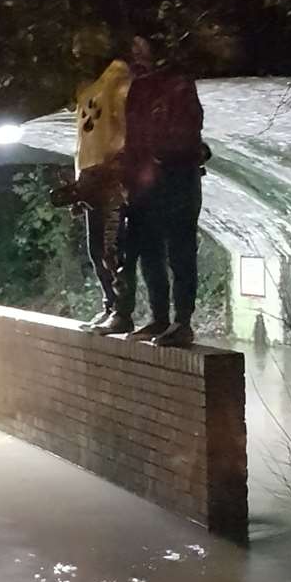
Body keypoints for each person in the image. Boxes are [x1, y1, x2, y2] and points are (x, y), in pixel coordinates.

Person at [118, 34, 206, 348]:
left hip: (176, 175)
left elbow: (189, 125)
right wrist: (129, 175)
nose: (134, 50)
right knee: (147, 248)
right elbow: (132, 135)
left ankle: (182, 321)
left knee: (180, 248)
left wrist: (164, 153)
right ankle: (159, 316)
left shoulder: (178, 82)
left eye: (140, 44)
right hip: (145, 181)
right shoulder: (139, 87)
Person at [56, 51, 136, 334]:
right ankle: (111, 304)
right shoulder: (88, 90)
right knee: (96, 249)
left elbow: (127, 125)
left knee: (110, 248)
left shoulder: (116, 81)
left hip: (109, 175)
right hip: (90, 177)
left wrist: (119, 165)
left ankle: (122, 311)